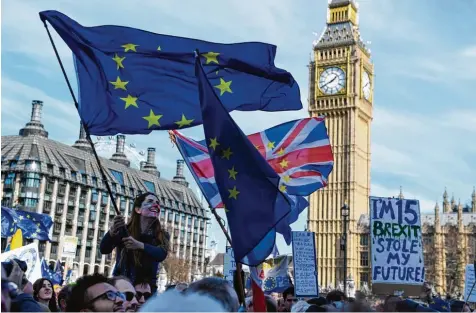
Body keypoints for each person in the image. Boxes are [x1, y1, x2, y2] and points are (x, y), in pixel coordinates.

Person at [100, 192, 169, 293]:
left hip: (147, 290)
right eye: (150, 201)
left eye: (157, 203)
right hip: (124, 288)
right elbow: (104, 249)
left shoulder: (162, 235)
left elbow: (161, 254)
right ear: (138, 209)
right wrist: (112, 232)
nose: (156, 205)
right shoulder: (125, 230)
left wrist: (139, 245)